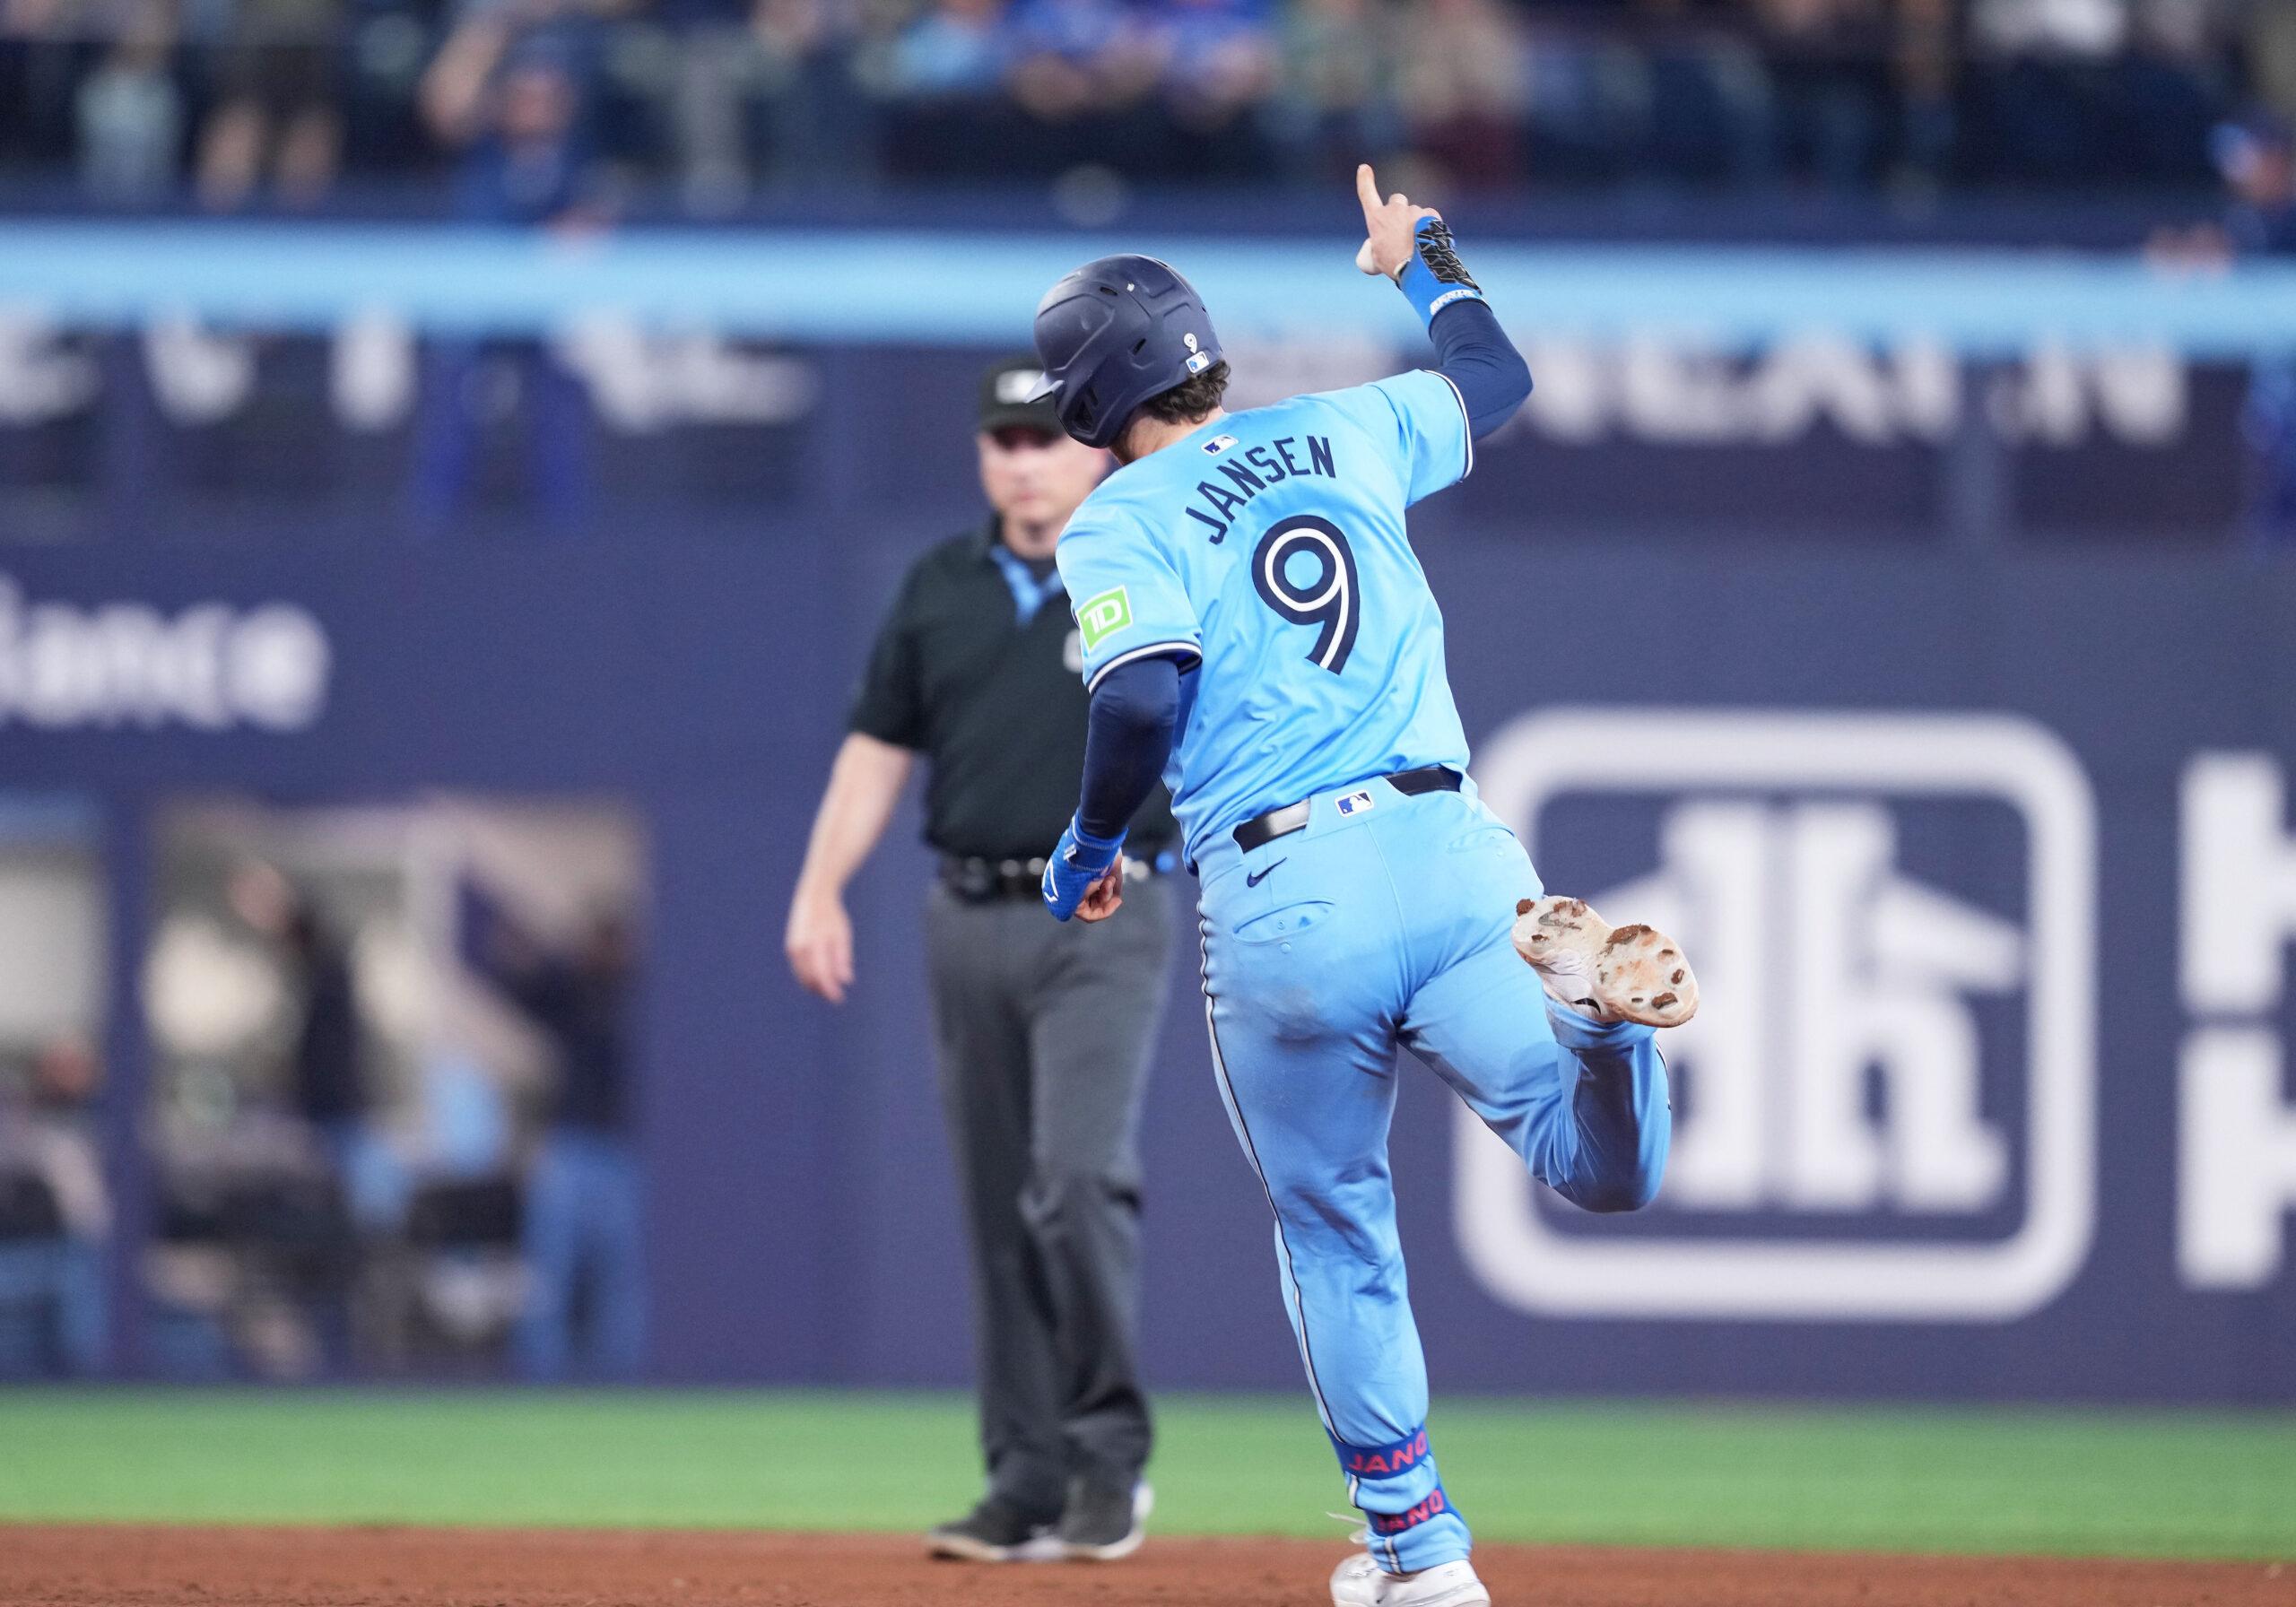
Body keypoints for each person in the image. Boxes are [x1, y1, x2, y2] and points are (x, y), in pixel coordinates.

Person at [1027, 169, 1698, 1607]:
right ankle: (1600, 1024)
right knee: (1605, 1174)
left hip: (1287, 895)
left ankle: (1421, 1559)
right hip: (1458, 861)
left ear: (1088, 401)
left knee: (1337, 1227)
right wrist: (1423, 258)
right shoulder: (1343, 422)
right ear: (1200, 349)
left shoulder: (1118, 518)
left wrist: (1088, 846)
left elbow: (1143, 696)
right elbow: (1494, 377)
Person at [785, 357, 1179, 1563]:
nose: (1022, 457)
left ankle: (1109, 1464)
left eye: (1046, 435)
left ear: (1096, 450)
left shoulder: (1143, 565)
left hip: (1105, 916)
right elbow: (874, 752)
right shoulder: (940, 588)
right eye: (1003, 437)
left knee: (1072, 1180)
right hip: (965, 911)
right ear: (980, 454)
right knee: (998, 1209)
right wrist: (820, 885)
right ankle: (1024, 1479)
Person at [466, 898, 644, 1380]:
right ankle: (538, 1382)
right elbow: (521, 984)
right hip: (570, 1148)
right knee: (548, 1273)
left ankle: (625, 1383)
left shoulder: (642, 997)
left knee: (622, 1281)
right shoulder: (573, 991)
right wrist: (518, 950)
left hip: (626, 1153)